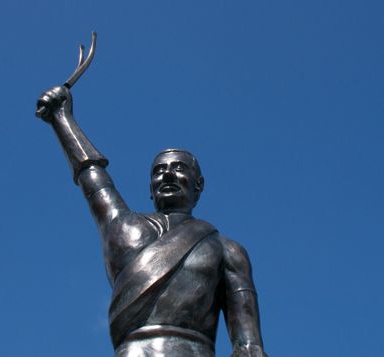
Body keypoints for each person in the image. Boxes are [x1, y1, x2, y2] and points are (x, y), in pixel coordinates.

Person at [37, 86, 267, 357]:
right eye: (159, 171)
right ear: (150, 187)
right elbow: (91, 175)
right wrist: (62, 118)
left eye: (179, 168)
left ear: (199, 185)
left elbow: (249, 345)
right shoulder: (124, 228)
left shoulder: (228, 250)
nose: (167, 175)